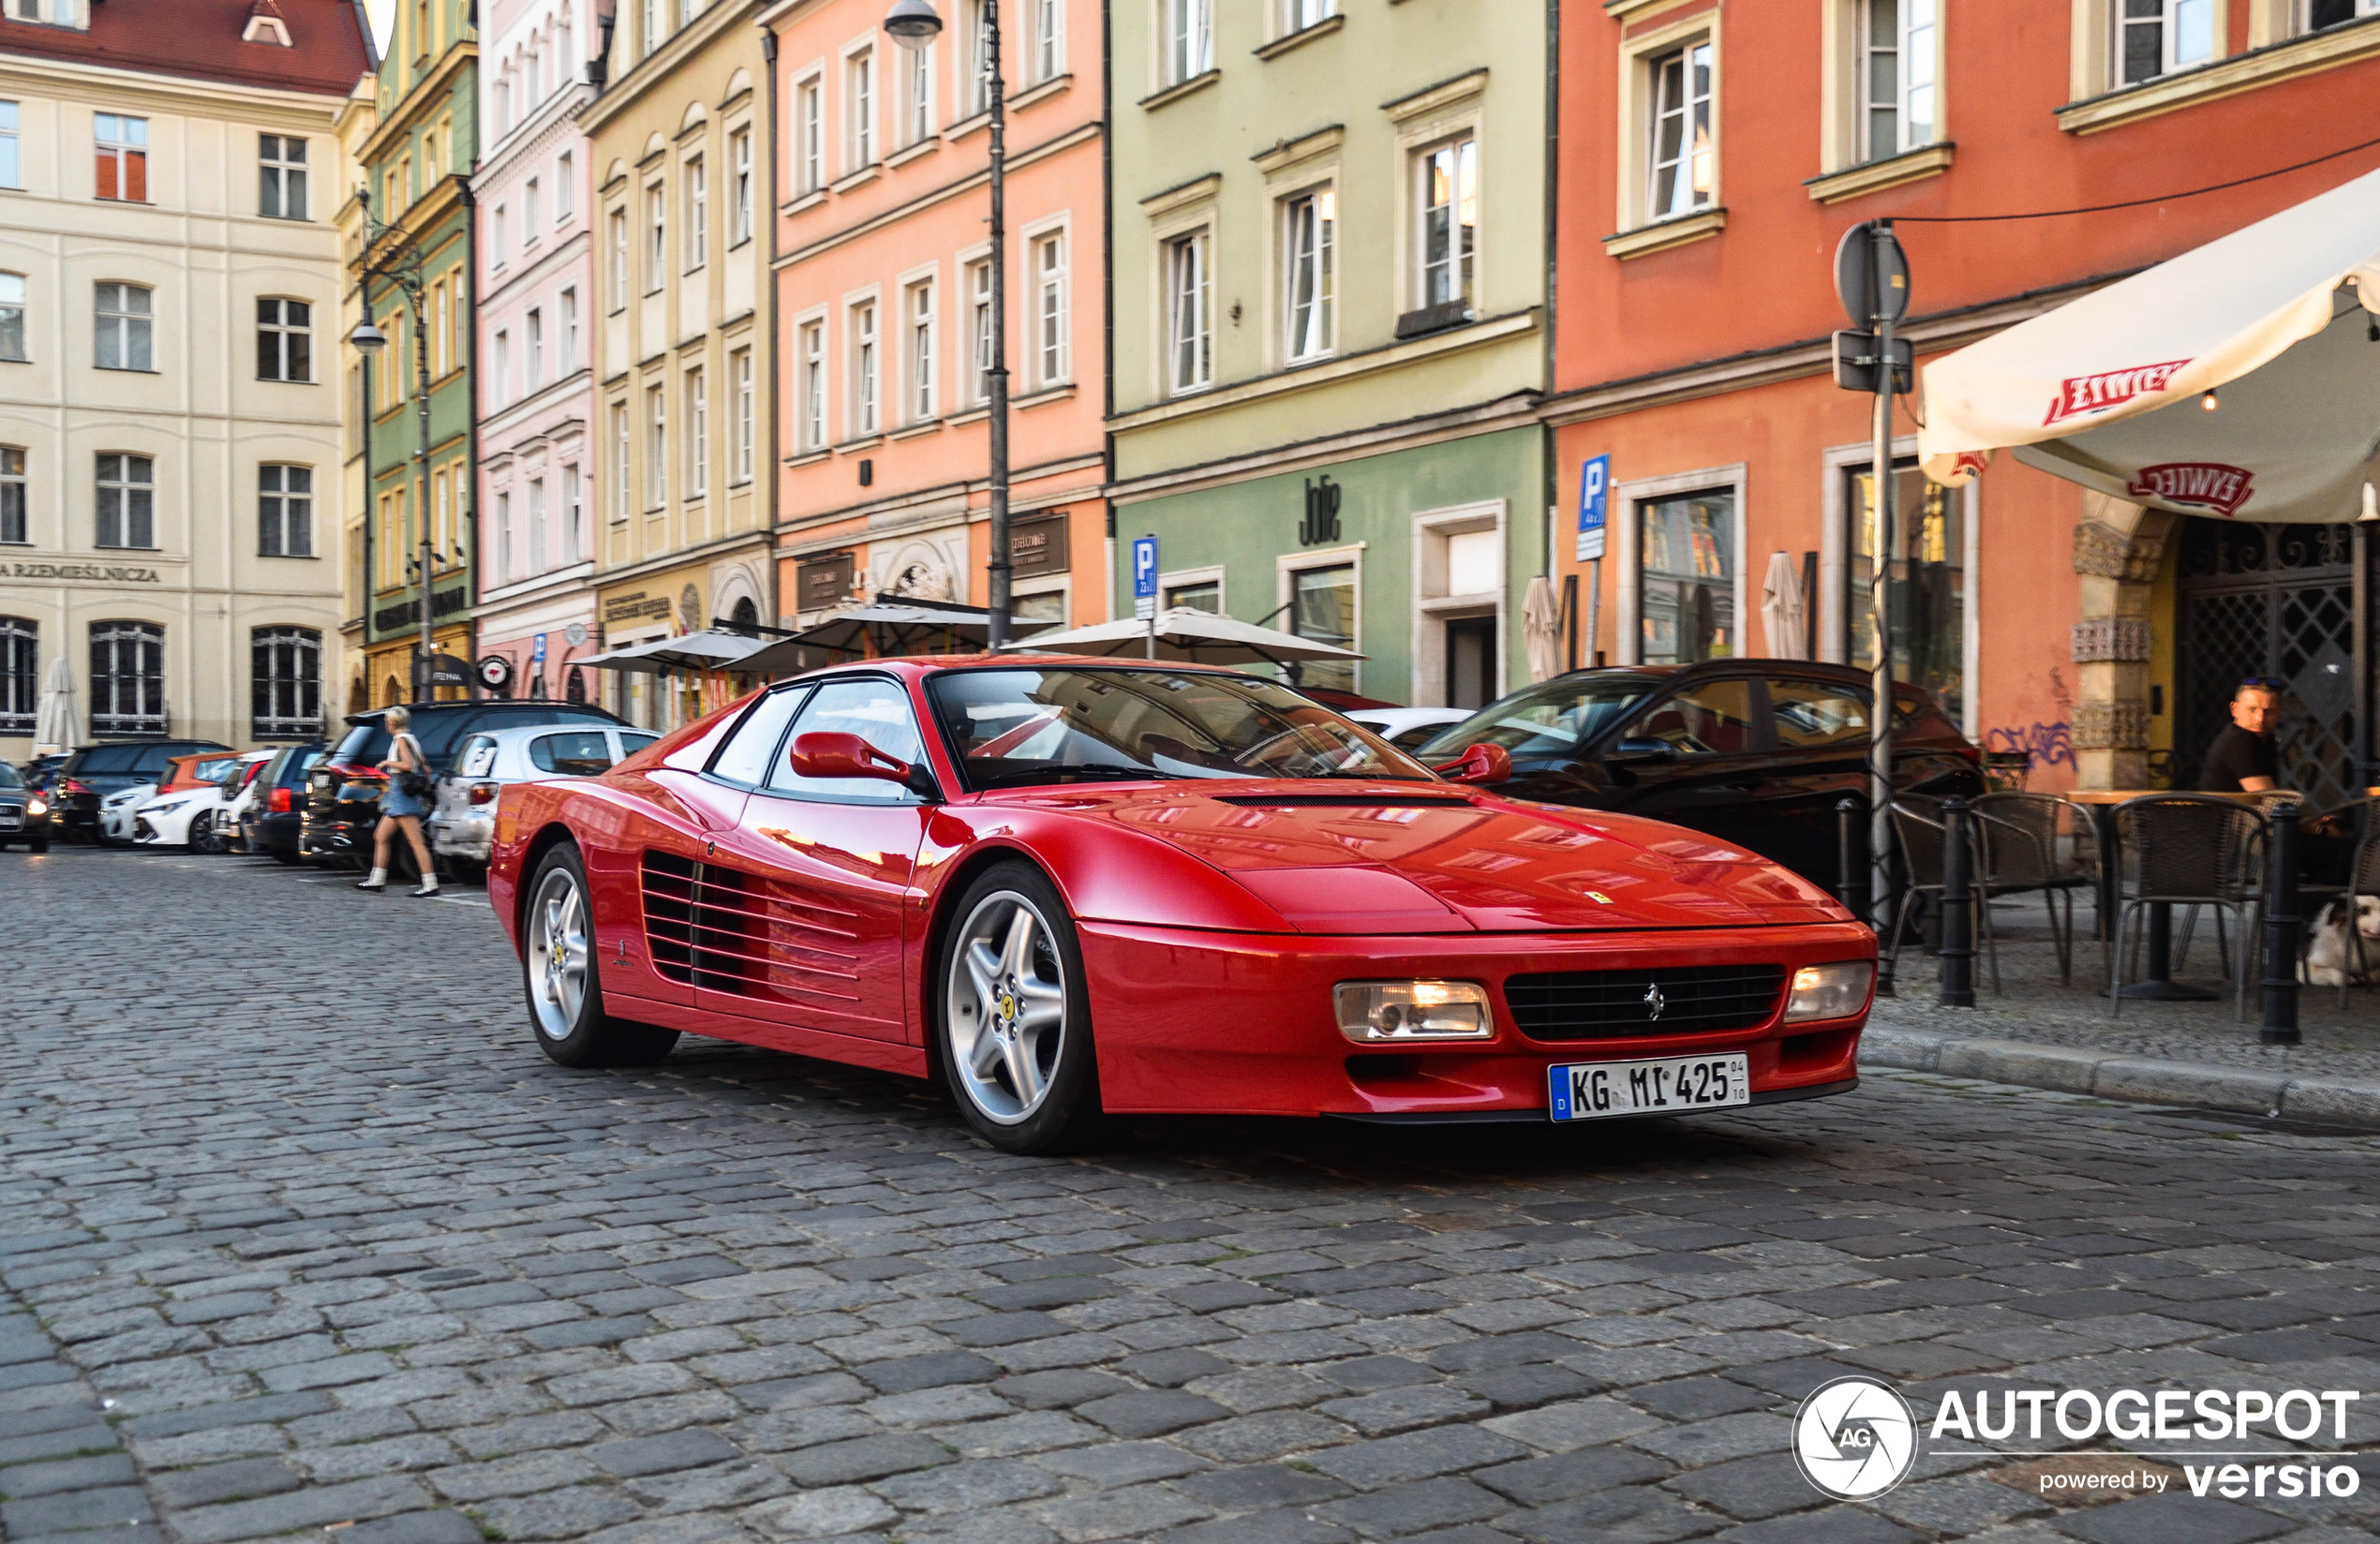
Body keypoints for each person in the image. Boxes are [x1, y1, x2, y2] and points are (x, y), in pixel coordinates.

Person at [358, 705, 439, 897]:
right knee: (381, 836)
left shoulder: (401, 739)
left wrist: (387, 763)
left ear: (392, 723)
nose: (386, 724)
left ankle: (430, 884)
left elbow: (408, 765)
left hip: (401, 793)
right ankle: (376, 880)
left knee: (416, 842)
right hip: (399, 794)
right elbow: (423, 765)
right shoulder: (410, 739)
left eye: (387, 721)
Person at [2197, 678, 2281, 793]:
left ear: (2279, 713)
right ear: (2234, 709)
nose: (2260, 719)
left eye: (2268, 712)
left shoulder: (2264, 739)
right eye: (2252, 710)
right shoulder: (2240, 740)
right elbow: (2268, 799)